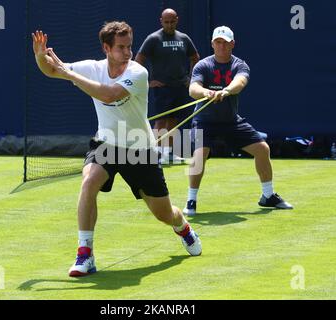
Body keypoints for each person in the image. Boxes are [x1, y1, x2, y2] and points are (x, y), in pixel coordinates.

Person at [31, 21, 201, 277]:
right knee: (88, 182)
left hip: (138, 149)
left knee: (164, 213)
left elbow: (108, 95)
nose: (127, 52)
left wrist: (68, 73)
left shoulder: (138, 73)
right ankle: (85, 255)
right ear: (106, 48)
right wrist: (39, 56)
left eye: (129, 46)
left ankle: (182, 227)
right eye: (121, 47)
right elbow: (52, 70)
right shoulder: (93, 68)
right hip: (106, 144)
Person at [183, 26, 293, 215]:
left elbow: (240, 82)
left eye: (225, 42)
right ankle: (191, 201)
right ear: (212, 44)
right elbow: (193, 89)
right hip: (204, 121)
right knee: (200, 155)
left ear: (232, 44)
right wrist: (207, 93)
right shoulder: (203, 65)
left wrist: (226, 90)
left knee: (262, 149)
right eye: (218, 42)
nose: (222, 46)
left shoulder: (240, 65)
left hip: (231, 121)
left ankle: (268, 196)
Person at [135, 8, 200, 164]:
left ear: (177, 20)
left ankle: (168, 154)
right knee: (160, 121)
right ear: (161, 21)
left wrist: (190, 79)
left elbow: (195, 57)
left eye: (172, 22)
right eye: (166, 22)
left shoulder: (184, 38)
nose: (169, 25)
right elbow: (138, 60)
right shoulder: (153, 39)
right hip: (161, 88)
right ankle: (155, 154)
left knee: (173, 121)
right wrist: (148, 82)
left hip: (179, 87)